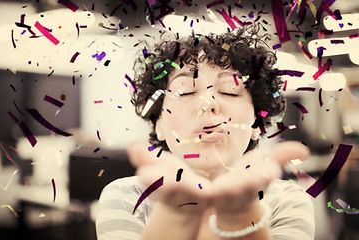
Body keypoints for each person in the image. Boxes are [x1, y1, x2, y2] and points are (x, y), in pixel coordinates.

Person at [96, 24, 315, 240]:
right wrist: (176, 215)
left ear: (256, 124)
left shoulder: (286, 200)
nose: (207, 103)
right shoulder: (127, 196)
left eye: (230, 92)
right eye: (185, 91)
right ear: (159, 123)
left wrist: (240, 218)